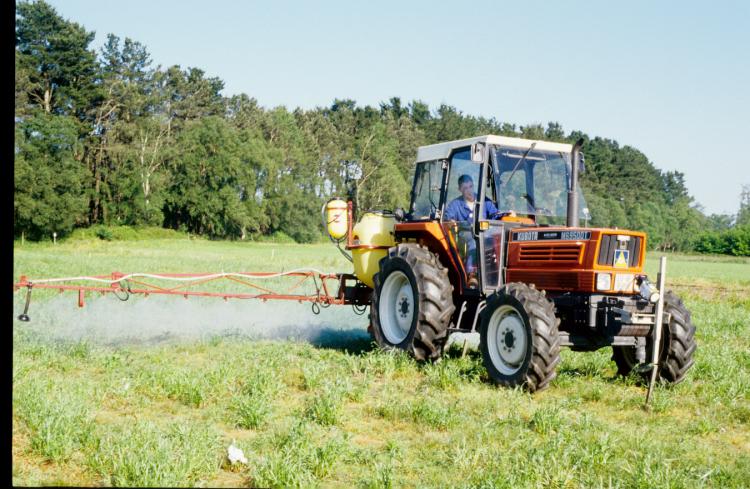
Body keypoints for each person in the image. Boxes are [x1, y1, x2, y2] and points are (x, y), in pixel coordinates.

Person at [444, 174, 499, 288]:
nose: (469, 191)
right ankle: (472, 274)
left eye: (470, 187)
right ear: (460, 190)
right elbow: (448, 218)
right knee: (474, 241)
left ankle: (494, 271)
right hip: (465, 233)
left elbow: (496, 215)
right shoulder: (455, 204)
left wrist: (506, 215)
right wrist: (451, 221)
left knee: (495, 241)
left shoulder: (484, 201)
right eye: (465, 188)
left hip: (485, 232)